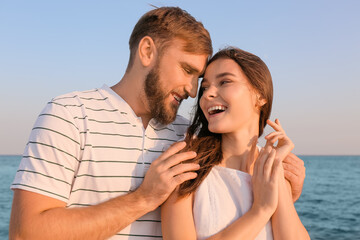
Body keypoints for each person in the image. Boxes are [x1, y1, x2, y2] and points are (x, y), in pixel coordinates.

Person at [9, 7, 305, 240]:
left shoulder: (187, 140)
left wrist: (285, 190)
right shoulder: (69, 115)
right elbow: (26, 234)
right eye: (187, 71)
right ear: (147, 51)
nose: (193, 90)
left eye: (197, 79)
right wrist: (144, 198)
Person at [161, 47, 310, 239]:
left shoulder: (274, 171)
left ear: (260, 95)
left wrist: (277, 171)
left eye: (224, 82)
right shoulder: (186, 169)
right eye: (205, 87)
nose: (207, 95)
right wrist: (260, 211)